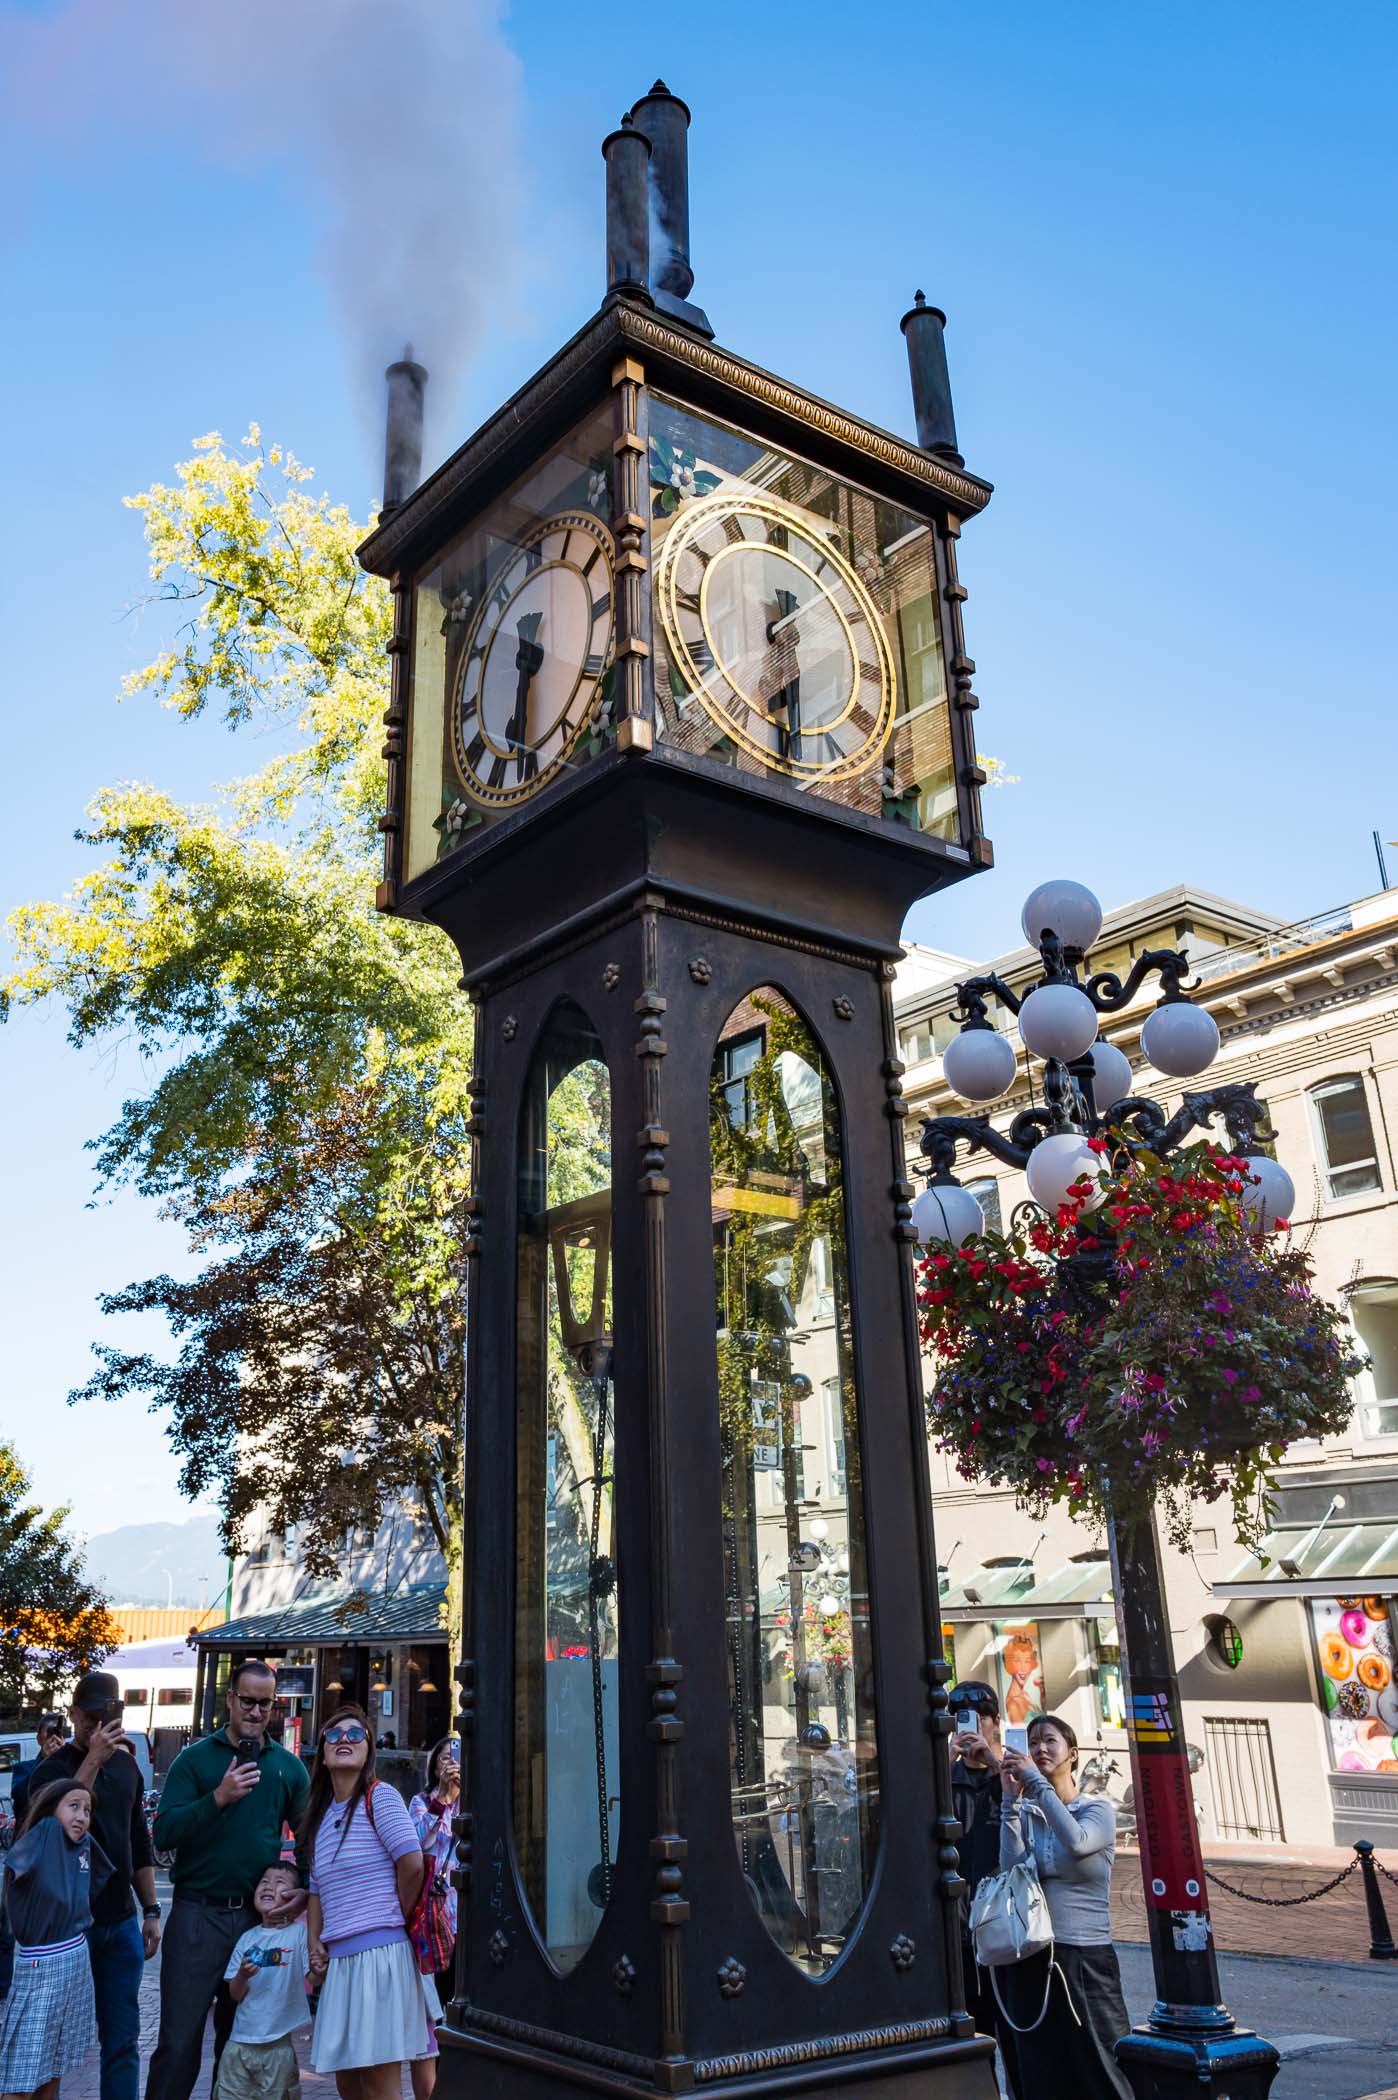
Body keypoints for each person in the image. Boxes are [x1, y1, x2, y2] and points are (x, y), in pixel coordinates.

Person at [145, 1660, 310, 2100]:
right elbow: (163, 1833)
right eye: (248, 1701)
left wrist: (303, 1893)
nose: (256, 1712)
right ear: (231, 1700)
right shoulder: (195, 1760)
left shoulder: (288, 1768)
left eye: (266, 1703)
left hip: (259, 1924)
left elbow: (312, 1841)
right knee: (179, 2043)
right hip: (198, 1916)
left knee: (239, 2040)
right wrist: (217, 1798)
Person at [26, 1672, 158, 2100]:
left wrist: (152, 1910)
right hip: (65, 1930)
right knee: (55, 2046)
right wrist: (94, 1760)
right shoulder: (52, 1769)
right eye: (89, 1716)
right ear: (73, 1713)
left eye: (106, 1714)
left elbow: (137, 1840)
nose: (97, 1723)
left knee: (122, 2040)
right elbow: (50, 1830)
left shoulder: (126, 1766)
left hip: (119, 1923)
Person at [302, 1705, 436, 2100]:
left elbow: (412, 1864)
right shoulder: (321, 1817)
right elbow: (316, 1891)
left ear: (369, 1751)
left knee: (379, 2086)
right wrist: (314, 1943)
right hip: (341, 1965)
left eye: (356, 1734)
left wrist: (389, 1914)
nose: (344, 1739)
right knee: (349, 2084)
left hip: (380, 1959)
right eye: (334, 1734)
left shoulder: (382, 1798)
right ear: (323, 1753)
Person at [996, 1714, 1132, 2100]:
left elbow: (1076, 1842)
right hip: (1035, 1954)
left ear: (1072, 1754)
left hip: (1085, 1957)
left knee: (1101, 2064)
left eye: (1049, 1741)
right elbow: (1011, 1871)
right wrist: (1010, 1802)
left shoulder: (1097, 1810)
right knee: (1042, 2069)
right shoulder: (1030, 1810)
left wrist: (1036, 1785)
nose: (1039, 1749)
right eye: (1033, 1742)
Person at [0, 1780, 103, 2100]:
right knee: (21, 2076)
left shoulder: (83, 1842)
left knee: (53, 2068)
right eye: (73, 1806)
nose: (82, 1816)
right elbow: (13, 1871)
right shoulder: (45, 1831)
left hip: (74, 1960)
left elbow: (96, 1881)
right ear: (52, 1808)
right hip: (41, 1964)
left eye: (87, 1810)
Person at [948, 1681, 1019, 2098]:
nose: (971, 1727)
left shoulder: (1009, 1771)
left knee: (1017, 2035)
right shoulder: (944, 1776)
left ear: (995, 1722)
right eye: (959, 1719)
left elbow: (1034, 1805)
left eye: (980, 1718)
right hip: (960, 1928)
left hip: (1008, 1927)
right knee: (973, 2035)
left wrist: (993, 1763)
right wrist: (948, 1756)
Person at [218, 1862, 311, 2100]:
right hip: (238, 2043)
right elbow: (235, 1994)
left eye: (280, 1882)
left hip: (277, 2045)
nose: (269, 1886)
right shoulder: (247, 1938)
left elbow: (313, 1976)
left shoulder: (299, 1934)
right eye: (264, 1881)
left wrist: (320, 1968)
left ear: (293, 1896)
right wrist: (242, 1975)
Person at [408, 1740, 459, 2006]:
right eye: (445, 1758)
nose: (451, 1763)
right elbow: (417, 1841)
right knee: (440, 1973)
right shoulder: (421, 1802)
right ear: (434, 1767)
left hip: (465, 1903)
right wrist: (442, 1801)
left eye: (457, 1757)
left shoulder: (475, 1800)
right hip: (437, 1904)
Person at [9, 1718, 68, 1825]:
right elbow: (20, 1796)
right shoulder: (23, 1768)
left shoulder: (69, 1766)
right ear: (38, 1738)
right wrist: (45, 1760)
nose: (54, 1737)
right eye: (50, 1732)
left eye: (58, 1732)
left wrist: (64, 1756)